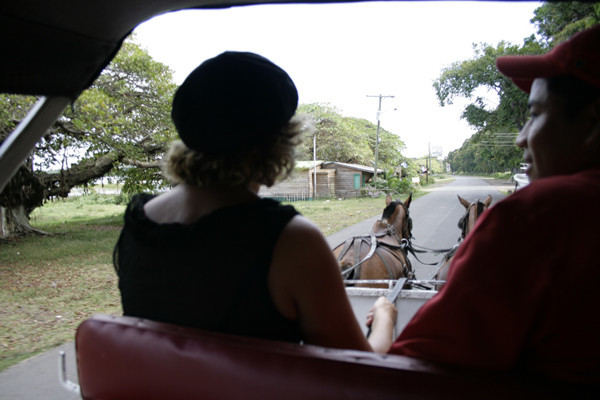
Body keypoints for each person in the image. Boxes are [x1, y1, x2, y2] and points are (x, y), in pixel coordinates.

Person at [113, 51, 395, 354]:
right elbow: (355, 367)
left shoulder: (138, 222)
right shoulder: (291, 240)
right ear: (278, 145)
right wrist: (384, 318)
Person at [386, 25, 600, 384]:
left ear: (593, 119)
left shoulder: (536, 216)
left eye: (534, 115)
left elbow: (408, 376)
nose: (521, 139)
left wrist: (385, 318)